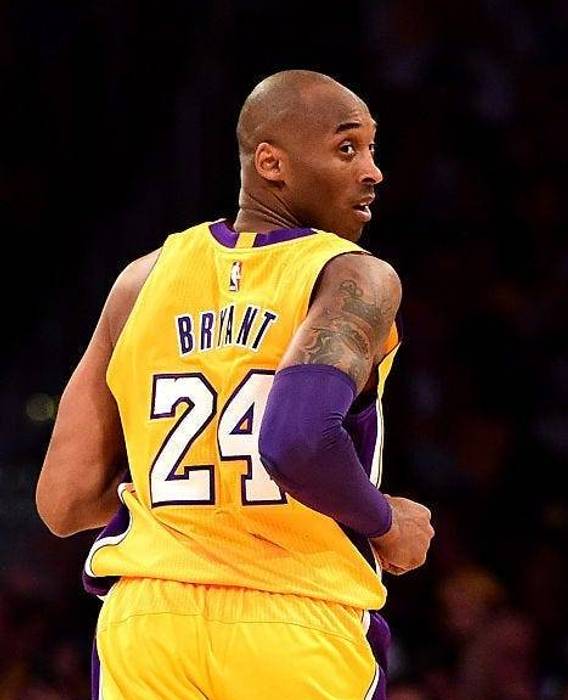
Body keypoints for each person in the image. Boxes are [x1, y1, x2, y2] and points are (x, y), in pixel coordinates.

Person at [35, 69, 434, 699]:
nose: (373, 171)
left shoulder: (140, 282)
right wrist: (386, 523)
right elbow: (297, 441)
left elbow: (63, 501)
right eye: (348, 147)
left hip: (148, 623)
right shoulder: (353, 278)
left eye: (373, 149)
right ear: (271, 162)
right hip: (293, 620)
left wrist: (196, 504)